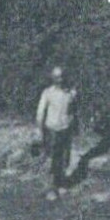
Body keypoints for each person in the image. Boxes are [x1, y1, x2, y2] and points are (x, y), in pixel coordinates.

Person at [35, 66, 78, 200]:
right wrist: (39, 129)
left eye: (62, 76)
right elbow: (40, 112)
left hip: (66, 128)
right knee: (53, 157)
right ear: (53, 78)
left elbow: (73, 110)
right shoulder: (48, 93)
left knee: (65, 157)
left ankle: (61, 184)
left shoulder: (70, 93)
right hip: (52, 129)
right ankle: (51, 188)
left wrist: (74, 125)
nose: (60, 79)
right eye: (57, 77)